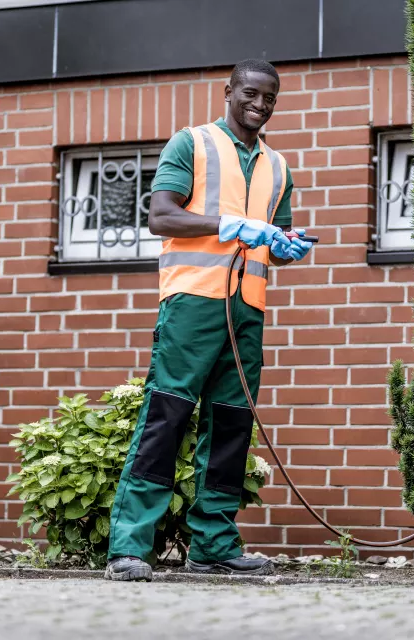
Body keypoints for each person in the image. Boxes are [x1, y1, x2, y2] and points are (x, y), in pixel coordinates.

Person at [105, 59, 313, 582]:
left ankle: (214, 544)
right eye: (250, 93)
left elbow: (274, 237)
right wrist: (229, 224)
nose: (259, 105)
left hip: (247, 309)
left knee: (231, 426)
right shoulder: (191, 144)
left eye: (269, 97)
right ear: (228, 91)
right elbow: (161, 217)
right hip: (192, 305)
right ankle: (129, 547)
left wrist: (285, 245)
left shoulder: (278, 167)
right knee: (168, 417)